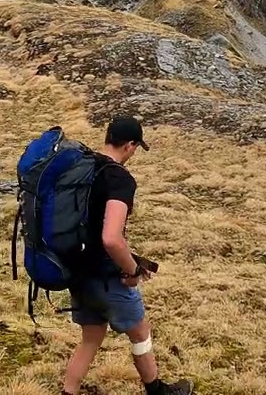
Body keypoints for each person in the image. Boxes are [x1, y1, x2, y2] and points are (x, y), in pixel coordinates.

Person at [60, 116, 192, 395]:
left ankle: (67, 392)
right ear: (130, 145)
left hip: (77, 271)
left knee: (91, 338)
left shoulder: (85, 168)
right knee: (140, 331)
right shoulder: (119, 178)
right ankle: (158, 391)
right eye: (136, 147)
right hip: (107, 277)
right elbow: (111, 238)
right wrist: (132, 270)